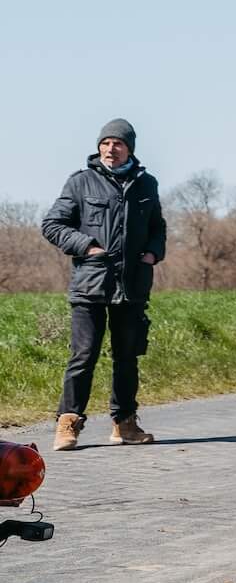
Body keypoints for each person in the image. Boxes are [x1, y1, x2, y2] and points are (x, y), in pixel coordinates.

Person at [41, 120, 165, 450]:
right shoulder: (81, 182)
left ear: (130, 149)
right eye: (106, 143)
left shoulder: (146, 185)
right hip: (91, 285)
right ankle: (68, 422)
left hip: (132, 285)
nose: (111, 149)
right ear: (99, 147)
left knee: (127, 357)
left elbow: (158, 228)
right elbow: (53, 224)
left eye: (118, 144)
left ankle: (125, 423)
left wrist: (153, 253)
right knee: (83, 356)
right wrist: (86, 246)